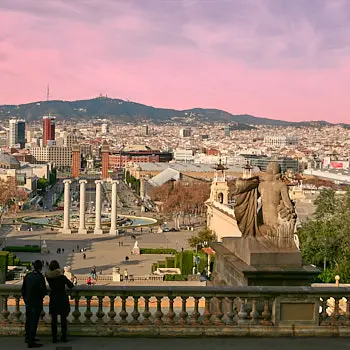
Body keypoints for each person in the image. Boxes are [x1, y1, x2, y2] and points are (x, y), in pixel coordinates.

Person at [45, 260, 74, 343]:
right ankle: (63, 337)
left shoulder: (48, 277)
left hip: (53, 298)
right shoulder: (61, 277)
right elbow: (70, 285)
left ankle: (54, 338)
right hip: (62, 298)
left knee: (53, 320)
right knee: (63, 319)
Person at [21, 260, 46, 348]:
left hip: (28, 301)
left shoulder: (28, 276)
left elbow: (23, 289)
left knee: (28, 320)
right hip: (36, 302)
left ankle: (27, 337)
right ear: (40, 268)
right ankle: (31, 342)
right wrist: (40, 298)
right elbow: (43, 291)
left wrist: (25, 299)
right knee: (34, 321)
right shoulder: (40, 277)